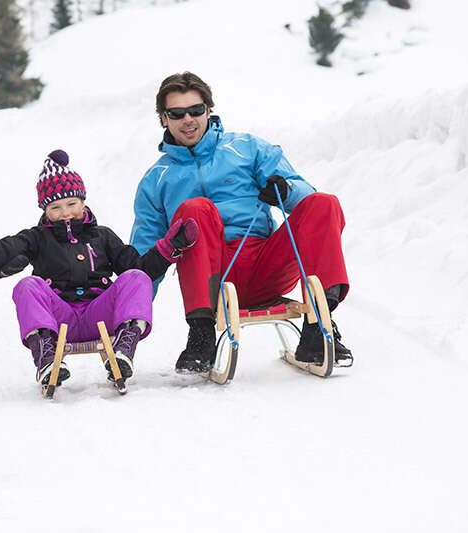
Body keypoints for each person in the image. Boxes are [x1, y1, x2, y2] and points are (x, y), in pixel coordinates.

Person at [130, 72, 352, 373]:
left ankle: (319, 325)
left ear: (209, 109)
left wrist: (284, 189)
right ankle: (201, 336)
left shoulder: (247, 148)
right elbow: (146, 252)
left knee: (324, 203)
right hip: (210, 277)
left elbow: (304, 196)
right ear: (163, 118)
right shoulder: (156, 180)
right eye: (177, 113)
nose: (188, 120)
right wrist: (129, 315)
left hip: (264, 263)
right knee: (195, 209)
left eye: (196, 110)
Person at [0, 149, 198, 386]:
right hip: (58, 318)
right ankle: (46, 354)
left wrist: (167, 248)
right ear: (45, 210)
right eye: (55, 207)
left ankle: (123, 347)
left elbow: (140, 267)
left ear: (83, 202)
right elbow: (6, 248)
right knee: (27, 286)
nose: (65, 213)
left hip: (99, 315)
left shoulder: (103, 236)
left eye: (71, 204)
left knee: (136, 277)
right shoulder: (37, 237)